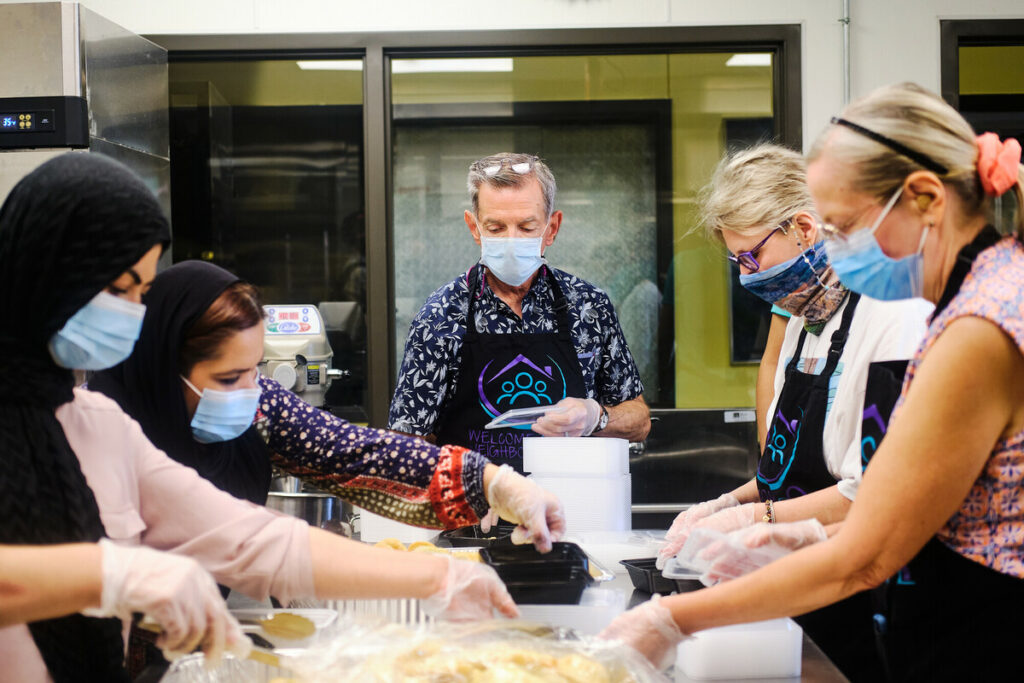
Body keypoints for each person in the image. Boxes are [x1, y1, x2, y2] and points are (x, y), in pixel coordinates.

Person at [0, 154, 519, 682]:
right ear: (42, 270)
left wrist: (438, 576)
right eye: (119, 290)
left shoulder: (99, 426)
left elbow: (255, 540)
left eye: (140, 294)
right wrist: (111, 575)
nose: (131, 316)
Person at [600, 83, 1024, 681]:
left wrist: (676, 619)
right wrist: (757, 520)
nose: (837, 248)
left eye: (844, 227)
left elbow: (867, 551)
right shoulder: (991, 288)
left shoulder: (979, 326)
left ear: (926, 197)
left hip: (988, 630)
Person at [653, 144, 930, 680]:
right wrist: (725, 503)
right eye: (738, 262)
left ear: (804, 228)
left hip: (862, 594)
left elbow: (870, 493)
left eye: (752, 258)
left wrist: (757, 520)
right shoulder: (807, 319)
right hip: (799, 589)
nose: (746, 276)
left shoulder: (894, 318)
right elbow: (787, 468)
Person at [90, 260, 564, 550]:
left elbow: (355, 452)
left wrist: (495, 484)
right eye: (227, 378)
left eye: (255, 370)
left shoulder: (259, 407)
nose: (250, 393)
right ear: (162, 365)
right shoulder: (102, 431)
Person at [389, 152, 651, 471]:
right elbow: (406, 441)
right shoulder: (441, 314)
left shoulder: (588, 306)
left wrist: (596, 417)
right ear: (474, 228)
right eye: (496, 228)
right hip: (476, 514)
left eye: (527, 227)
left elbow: (639, 421)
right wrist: (462, 490)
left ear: (551, 228)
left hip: (575, 510)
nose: (511, 241)